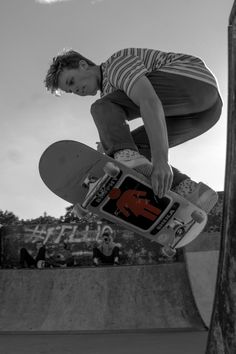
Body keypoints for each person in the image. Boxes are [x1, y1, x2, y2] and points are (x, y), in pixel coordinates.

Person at [44, 47, 222, 212]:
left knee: (102, 111)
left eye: (71, 81)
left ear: (83, 65)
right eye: (70, 90)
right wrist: (92, 201)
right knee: (134, 149)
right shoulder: (109, 96)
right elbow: (117, 143)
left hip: (193, 81)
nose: (76, 90)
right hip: (206, 114)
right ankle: (189, 189)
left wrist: (161, 161)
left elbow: (149, 101)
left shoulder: (115, 65)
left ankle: (128, 156)